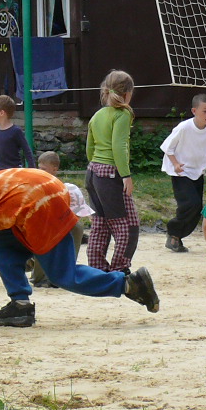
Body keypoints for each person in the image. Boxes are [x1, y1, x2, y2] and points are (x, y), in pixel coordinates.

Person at [0, 170, 160, 329]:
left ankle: (128, 284)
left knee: (63, 276)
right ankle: (20, 306)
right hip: (46, 194)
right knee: (1, 240)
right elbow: (3, 249)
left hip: (40, 204)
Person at [85, 70, 139, 271]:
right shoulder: (123, 114)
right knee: (128, 225)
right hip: (110, 174)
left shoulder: (97, 115)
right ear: (127, 93)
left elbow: (89, 148)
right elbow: (119, 146)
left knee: (100, 224)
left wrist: (96, 166)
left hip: (92, 173)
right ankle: (119, 269)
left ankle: (97, 268)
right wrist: (126, 175)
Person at [160, 94, 206, 252]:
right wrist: (175, 164)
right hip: (181, 172)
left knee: (197, 208)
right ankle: (173, 233)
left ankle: (176, 237)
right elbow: (167, 147)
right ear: (194, 111)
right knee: (189, 203)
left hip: (198, 172)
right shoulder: (184, 127)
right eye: (205, 111)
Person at [28, 151, 91, 288]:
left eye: (44, 169)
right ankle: (39, 276)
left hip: (55, 221)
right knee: (45, 232)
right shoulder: (35, 185)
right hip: (35, 231)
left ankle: (66, 274)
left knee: (76, 228)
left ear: (54, 169)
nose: (40, 171)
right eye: (39, 168)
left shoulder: (63, 188)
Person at [0, 94, 35, 175]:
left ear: (2, 113)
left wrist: (32, 172)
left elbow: (27, 152)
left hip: (14, 172)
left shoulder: (16, 131)